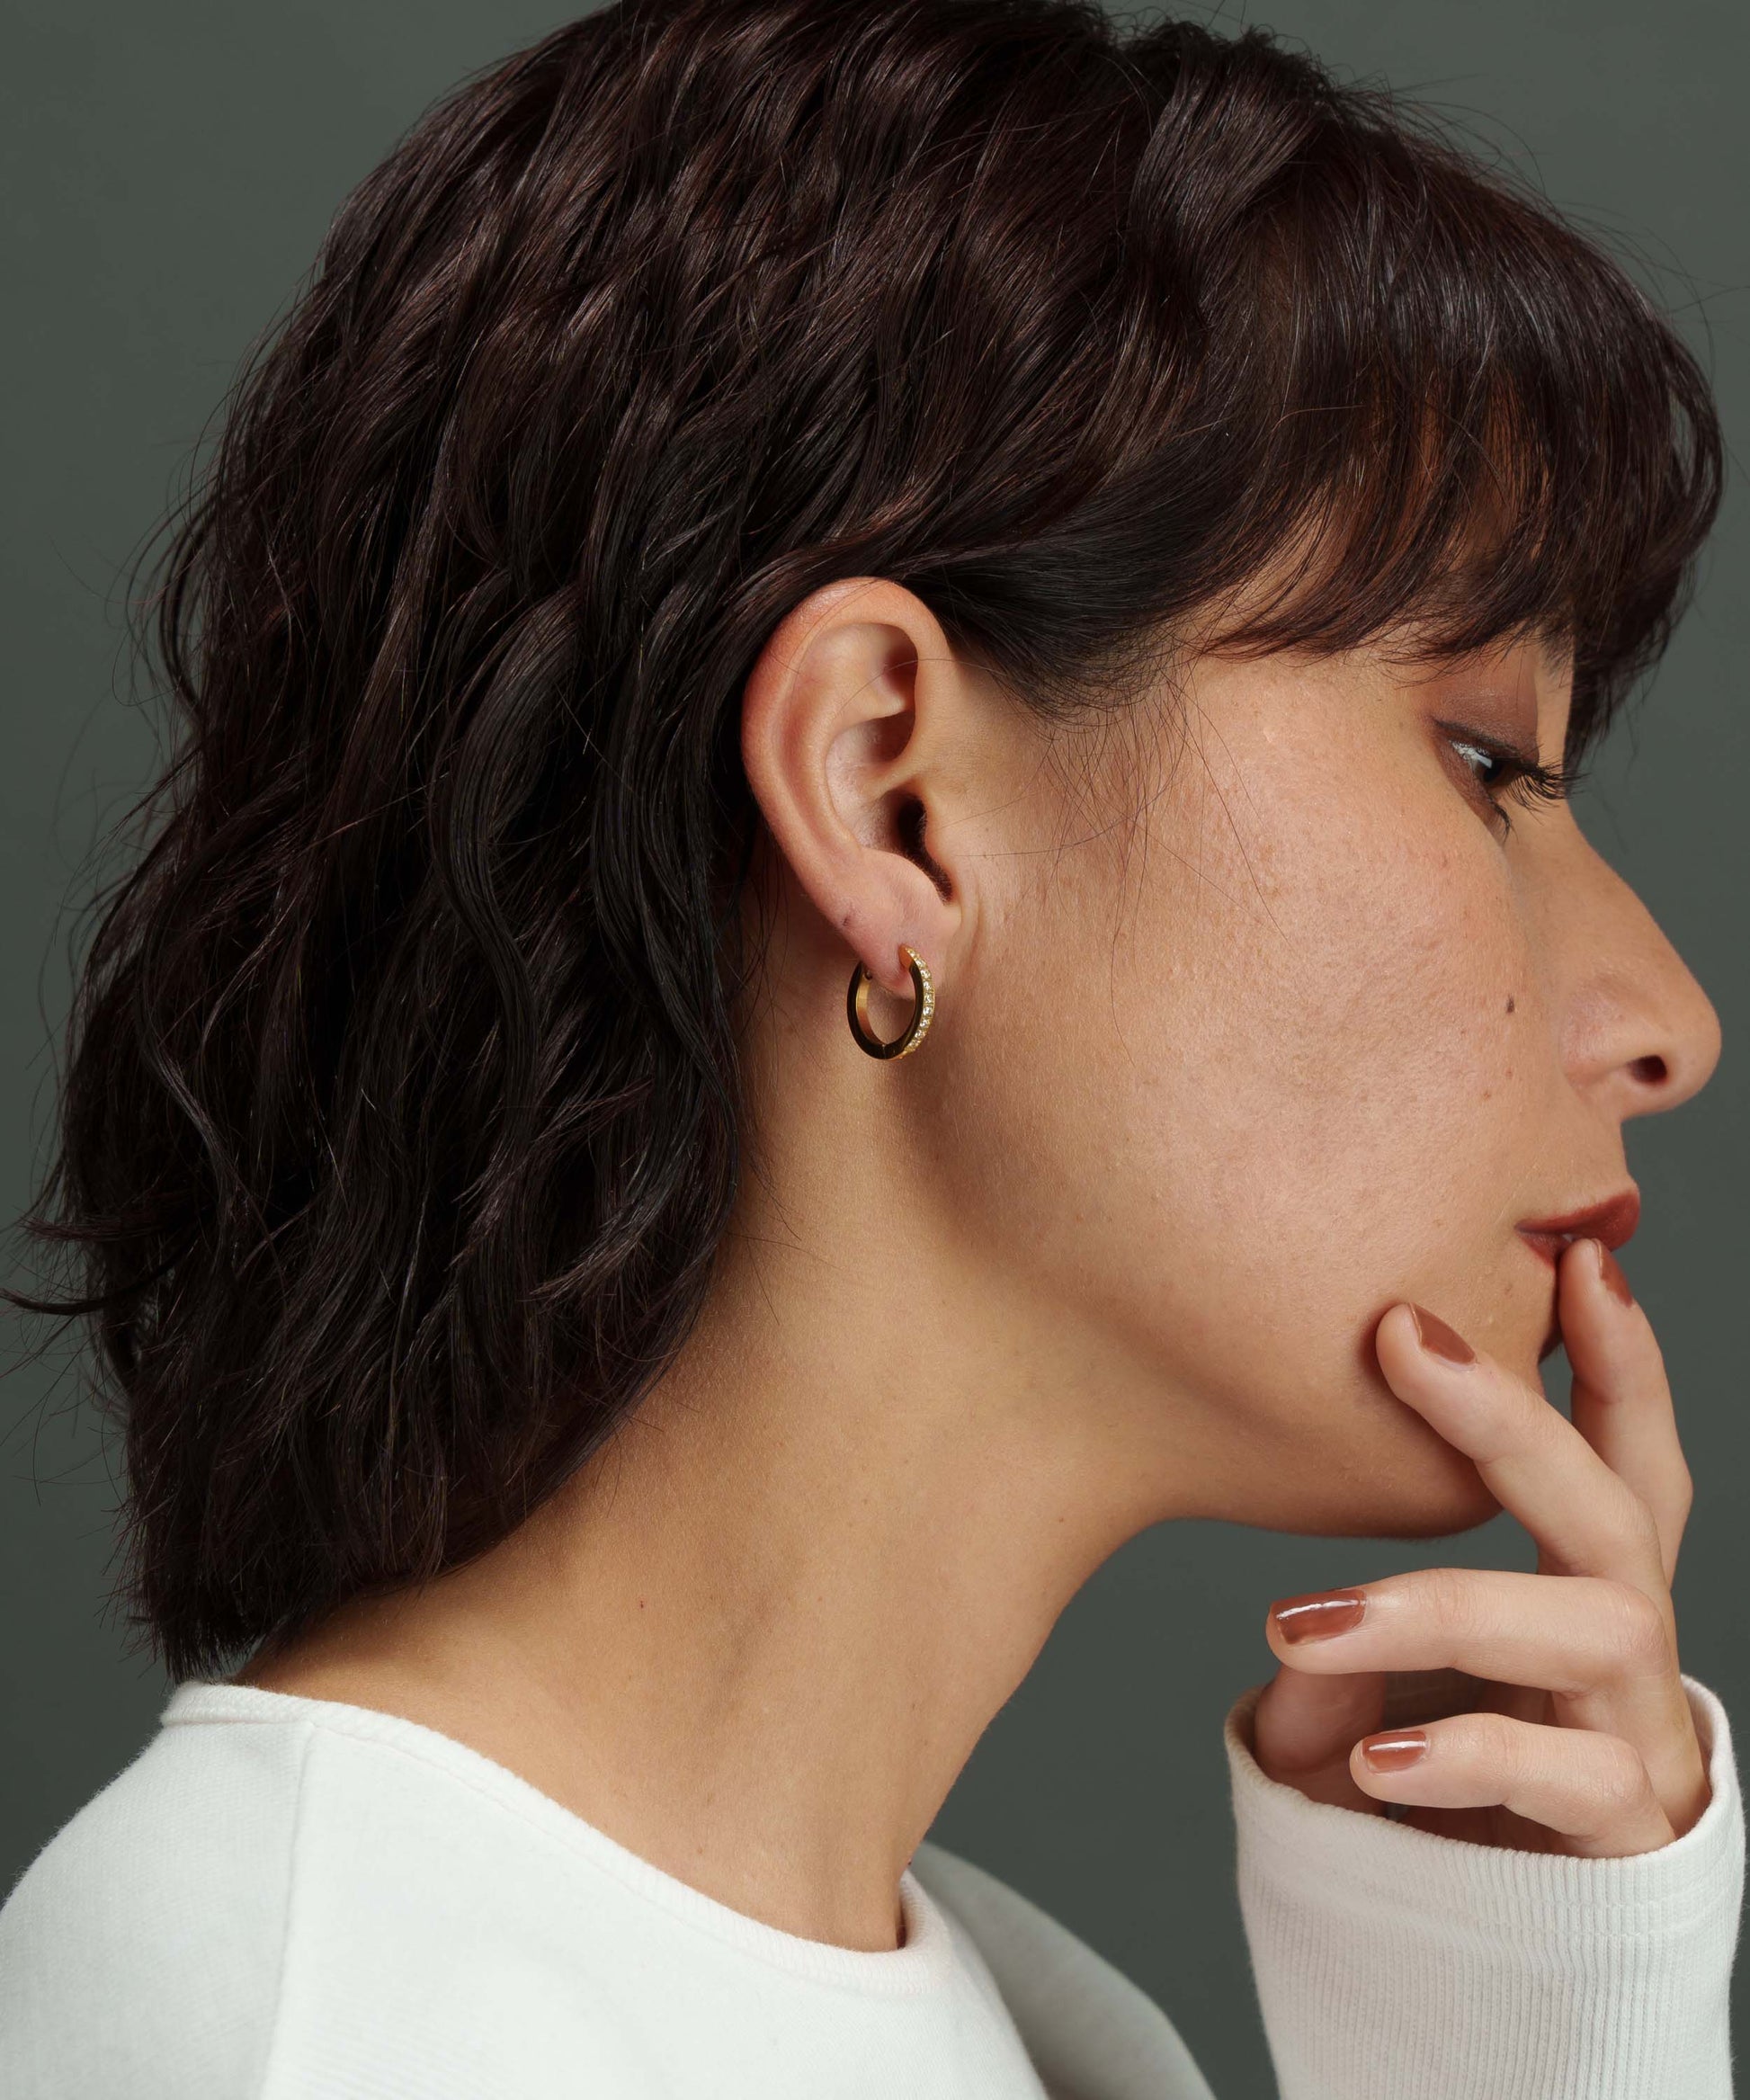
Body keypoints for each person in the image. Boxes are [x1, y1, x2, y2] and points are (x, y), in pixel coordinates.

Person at [0, 1, 1741, 2094]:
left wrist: (1532, 2033)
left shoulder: (1039, 2035)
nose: (1669, 1024)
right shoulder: (299, 2020)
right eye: (1483, 762)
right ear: (888, 793)